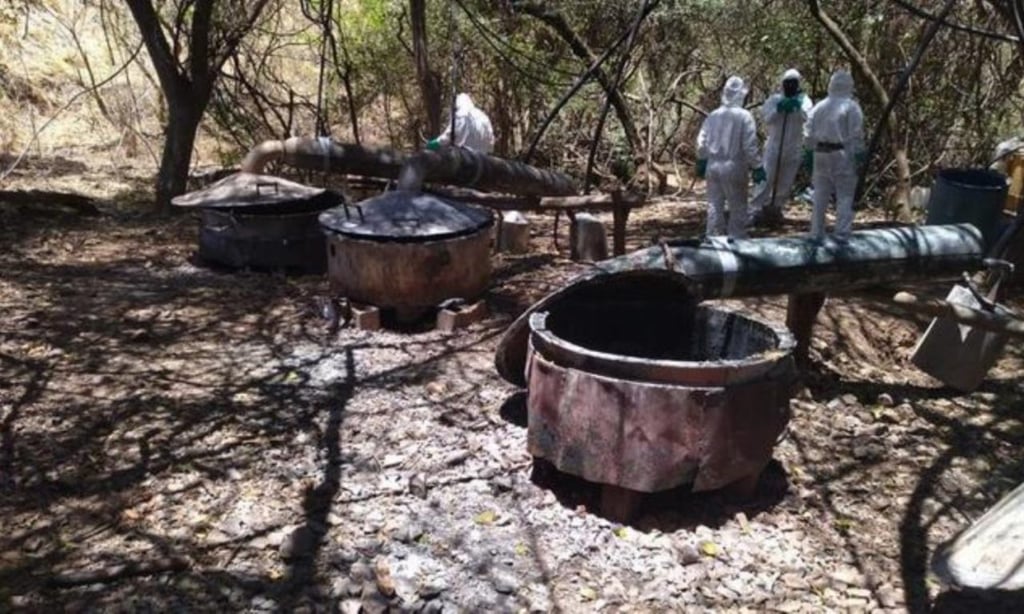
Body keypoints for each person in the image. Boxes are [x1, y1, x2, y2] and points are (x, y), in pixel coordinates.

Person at [696, 76, 766, 239]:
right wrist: (757, 166)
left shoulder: (713, 115)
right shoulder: (744, 116)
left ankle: (714, 240)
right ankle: (737, 240)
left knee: (714, 205)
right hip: (734, 166)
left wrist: (702, 160)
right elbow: (749, 146)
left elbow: (701, 142)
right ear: (740, 94)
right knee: (738, 207)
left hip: (713, 166)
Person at [803, 70, 865, 241]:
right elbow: (856, 134)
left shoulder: (819, 107)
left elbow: (807, 133)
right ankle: (842, 235)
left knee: (820, 194)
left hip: (820, 154)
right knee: (845, 195)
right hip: (841, 155)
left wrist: (809, 151)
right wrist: (859, 154)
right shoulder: (851, 107)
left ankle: (816, 233)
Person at [750, 69, 813, 227]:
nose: (790, 86)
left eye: (793, 83)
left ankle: (776, 209)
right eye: (787, 83)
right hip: (774, 145)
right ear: (783, 84)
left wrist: (797, 107)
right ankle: (756, 209)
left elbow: (808, 119)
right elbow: (767, 118)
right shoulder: (774, 99)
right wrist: (778, 109)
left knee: (786, 180)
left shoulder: (805, 101)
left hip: (793, 146)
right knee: (766, 179)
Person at [426, 93, 494, 154]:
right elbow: (491, 145)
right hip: (482, 159)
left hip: (465, 158)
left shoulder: (461, 114)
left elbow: (448, 136)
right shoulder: (484, 116)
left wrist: (435, 143)